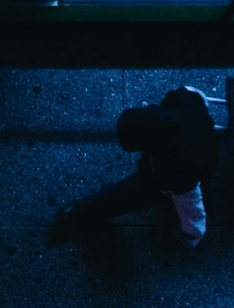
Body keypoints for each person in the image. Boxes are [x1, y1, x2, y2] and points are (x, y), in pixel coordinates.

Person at [47, 85, 219, 248]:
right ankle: (86, 212)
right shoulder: (185, 99)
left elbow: (191, 204)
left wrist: (190, 235)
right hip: (199, 150)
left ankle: (82, 216)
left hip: (172, 178)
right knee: (120, 196)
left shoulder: (179, 170)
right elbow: (193, 94)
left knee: (125, 197)